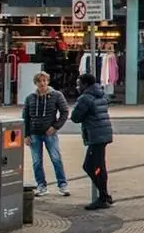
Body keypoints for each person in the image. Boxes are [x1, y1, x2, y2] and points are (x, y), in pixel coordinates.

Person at [21, 70, 70, 197]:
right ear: (35, 83)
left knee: (56, 158)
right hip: (34, 134)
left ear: (48, 81)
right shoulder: (30, 98)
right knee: (36, 161)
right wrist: (25, 135)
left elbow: (65, 112)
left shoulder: (57, 95)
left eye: (44, 80)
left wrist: (55, 127)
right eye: (39, 81)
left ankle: (62, 185)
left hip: (50, 133)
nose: (42, 83)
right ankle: (41, 185)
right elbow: (25, 117)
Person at [71, 73, 115, 209]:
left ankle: (103, 196)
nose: (78, 87)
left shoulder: (86, 98)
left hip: (96, 135)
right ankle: (104, 195)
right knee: (98, 165)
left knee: (92, 166)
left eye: (79, 84)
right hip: (103, 133)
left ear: (85, 85)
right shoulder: (100, 95)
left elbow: (75, 117)